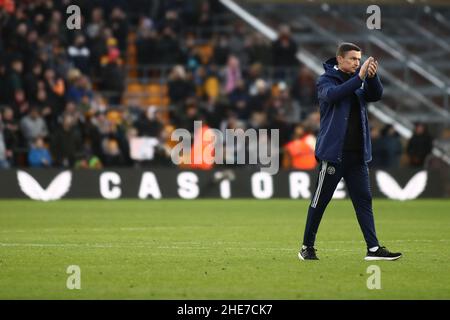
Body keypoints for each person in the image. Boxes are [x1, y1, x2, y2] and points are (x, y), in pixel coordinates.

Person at [299, 43, 402, 261]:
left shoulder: (358, 80)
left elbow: (375, 95)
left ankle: (373, 249)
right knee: (320, 201)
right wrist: (360, 77)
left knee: (363, 201)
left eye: (359, 59)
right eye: (353, 59)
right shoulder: (326, 80)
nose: (357, 62)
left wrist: (372, 77)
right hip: (333, 154)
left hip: (357, 155)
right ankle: (306, 247)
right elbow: (333, 96)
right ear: (340, 60)